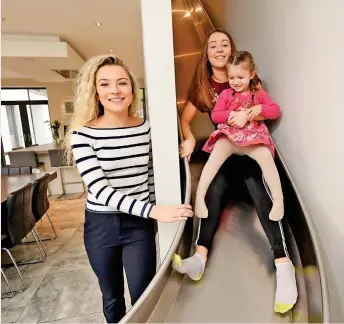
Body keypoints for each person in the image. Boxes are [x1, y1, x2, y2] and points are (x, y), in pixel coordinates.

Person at [172, 29, 297, 314]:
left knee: (256, 181)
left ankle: (283, 264)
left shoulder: (250, 80)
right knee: (214, 186)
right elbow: (187, 118)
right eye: (212, 45)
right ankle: (199, 258)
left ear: (233, 52)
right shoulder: (204, 88)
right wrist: (189, 136)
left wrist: (253, 113)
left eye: (224, 44)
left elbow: (268, 108)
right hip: (227, 150)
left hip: (250, 149)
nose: (218, 49)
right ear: (206, 53)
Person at [63, 54, 193, 323]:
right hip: (101, 227)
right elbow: (99, 189)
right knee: (111, 298)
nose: (115, 91)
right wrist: (154, 210)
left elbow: (149, 174)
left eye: (122, 83)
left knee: (144, 296)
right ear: (95, 92)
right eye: (105, 84)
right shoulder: (82, 134)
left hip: (138, 226)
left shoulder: (147, 129)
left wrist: (189, 141)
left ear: (133, 90)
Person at [195, 50, 284, 223]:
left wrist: (260, 109)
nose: (235, 82)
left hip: (253, 138)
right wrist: (231, 114)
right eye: (232, 78)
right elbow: (215, 115)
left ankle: (279, 201)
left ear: (251, 74)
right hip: (230, 137)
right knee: (214, 159)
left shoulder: (258, 95)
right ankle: (199, 196)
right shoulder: (226, 95)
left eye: (240, 77)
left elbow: (275, 111)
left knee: (266, 158)